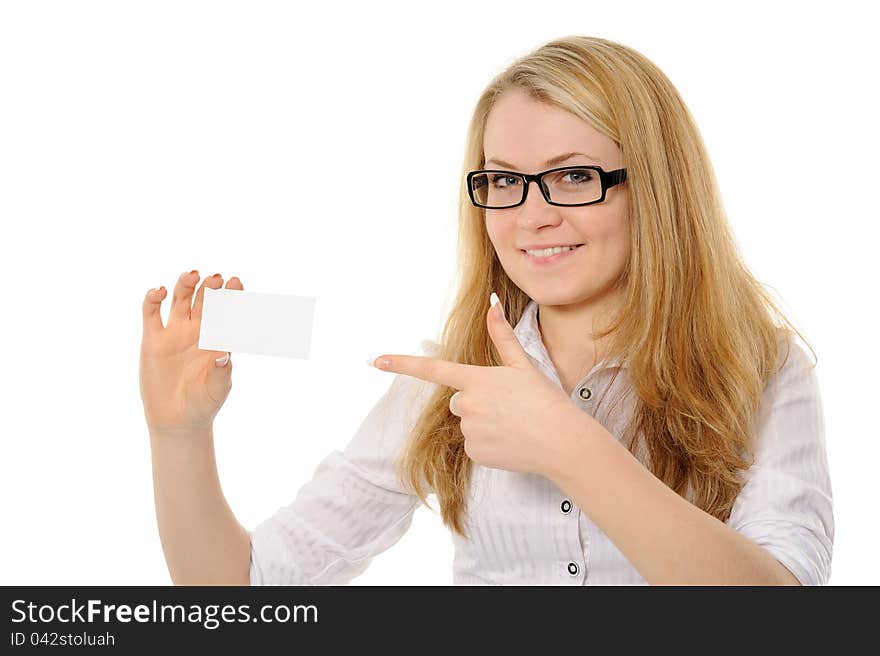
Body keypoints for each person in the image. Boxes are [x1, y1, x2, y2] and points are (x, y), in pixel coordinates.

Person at [139, 35, 833, 586]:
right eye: (504, 180)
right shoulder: (448, 378)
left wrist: (572, 448)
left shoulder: (763, 368)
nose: (532, 216)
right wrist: (178, 436)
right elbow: (241, 590)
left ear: (655, 188)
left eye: (572, 176)